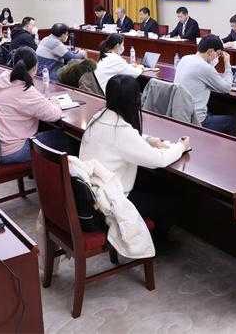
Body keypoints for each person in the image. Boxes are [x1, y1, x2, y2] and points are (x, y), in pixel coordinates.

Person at [79, 74, 190, 240]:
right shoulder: (121, 132)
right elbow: (159, 160)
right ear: (133, 101)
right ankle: (157, 242)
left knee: (151, 184)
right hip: (111, 205)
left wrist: (148, 140)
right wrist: (181, 146)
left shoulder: (98, 117)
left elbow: (123, 140)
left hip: (90, 196)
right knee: (170, 199)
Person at [0, 47, 68, 164]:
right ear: (35, 68)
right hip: (11, 151)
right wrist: (55, 102)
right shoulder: (25, 90)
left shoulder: (4, 79)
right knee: (66, 140)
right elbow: (54, 115)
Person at [173, 35, 236, 134]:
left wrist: (210, 65)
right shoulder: (205, 67)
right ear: (210, 51)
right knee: (233, 121)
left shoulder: (185, 58)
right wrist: (227, 65)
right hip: (196, 120)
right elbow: (227, 88)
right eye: (218, 54)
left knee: (212, 109)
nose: (217, 57)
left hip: (179, 114)